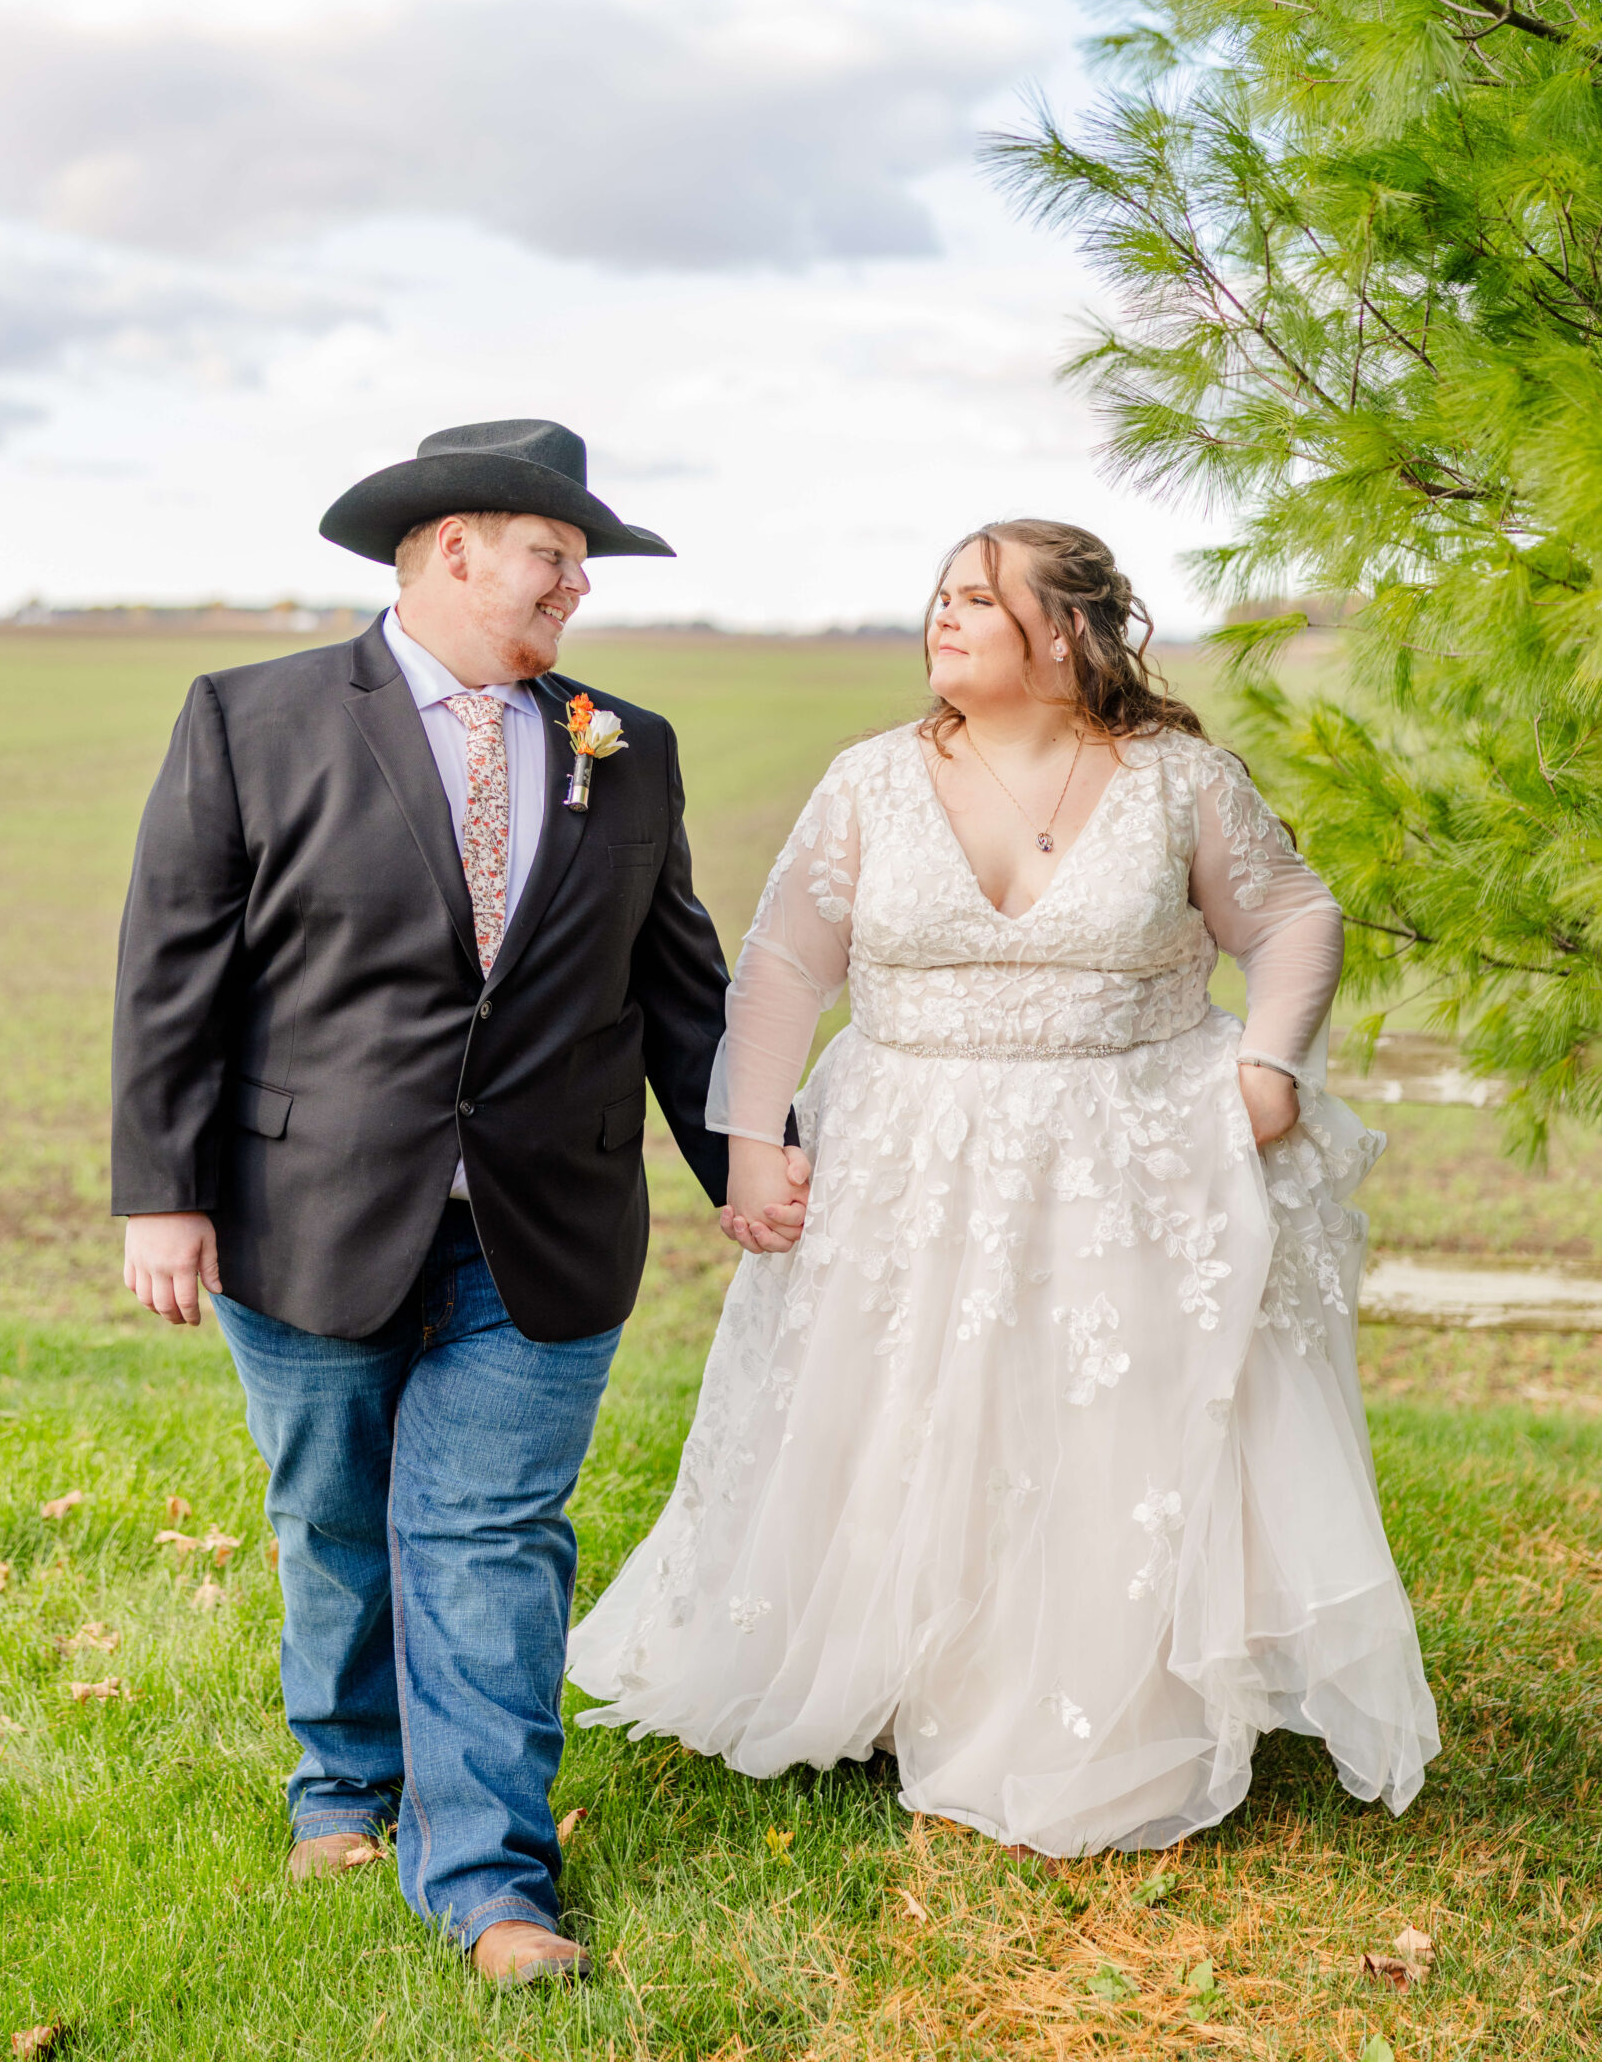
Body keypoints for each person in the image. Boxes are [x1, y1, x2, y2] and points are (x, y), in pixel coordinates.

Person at [569, 518, 1439, 1855]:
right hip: (907, 1155)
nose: (945, 617)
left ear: (1072, 632)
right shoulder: (868, 781)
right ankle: (895, 1676)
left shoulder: (1178, 783)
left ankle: (1098, 1702)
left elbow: (1293, 919)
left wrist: (1270, 1062)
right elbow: (788, 963)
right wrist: (752, 1140)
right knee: (906, 1416)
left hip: (1129, 1149)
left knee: (1101, 1423)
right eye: (940, 596)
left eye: (981, 598)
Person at [111, 417, 807, 1985]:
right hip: (300, 1214)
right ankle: (344, 1782)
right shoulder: (252, 719)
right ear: (453, 550)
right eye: (558, 557)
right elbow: (171, 976)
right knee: (337, 1521)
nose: (577, 587)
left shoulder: (628, 743)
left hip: (546, 1222)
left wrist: (747, 1155)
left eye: (583, 566)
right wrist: (162, 1194)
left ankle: (492, 1882)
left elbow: (675, 977)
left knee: (491, 1534)